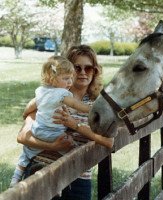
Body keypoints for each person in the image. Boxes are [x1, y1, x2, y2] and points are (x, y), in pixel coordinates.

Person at [16, 45, 113, 200]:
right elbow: (22, 136)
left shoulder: (97, 104)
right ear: (66, 70)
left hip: (79, 177)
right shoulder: (50, 96)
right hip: (41, 170)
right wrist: (53, 146)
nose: (82, 73)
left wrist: (74, 125)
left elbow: (109, 141)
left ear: (95, 72)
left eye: (88, 68)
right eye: (77, 68)